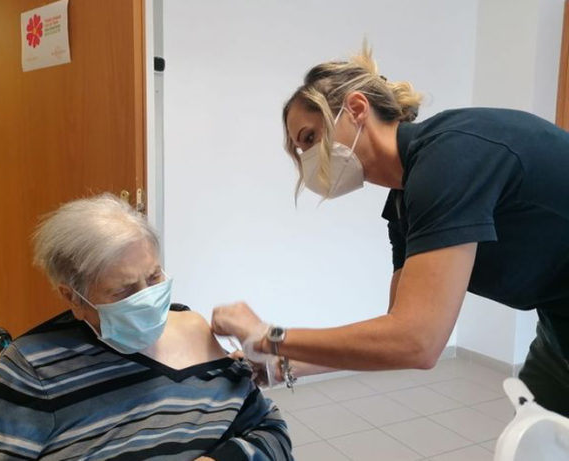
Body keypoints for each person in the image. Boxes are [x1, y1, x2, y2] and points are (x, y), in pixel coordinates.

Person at [211, 44, 569, 416]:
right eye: (300, 151)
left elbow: (418, 341)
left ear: (356, 109)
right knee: (535, 435)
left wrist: (269, 337)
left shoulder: (450, 158)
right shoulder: (404, 202)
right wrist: (283, 364)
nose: (308, 161)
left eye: (310, 138)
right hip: (557, 326)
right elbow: (394, 333)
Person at [0, 193, 292, 461]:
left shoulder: (194, 329)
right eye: (124, 291)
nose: (149, 298)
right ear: (73, 298)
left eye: (154, 277)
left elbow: (270, 431)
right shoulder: (34, 367)